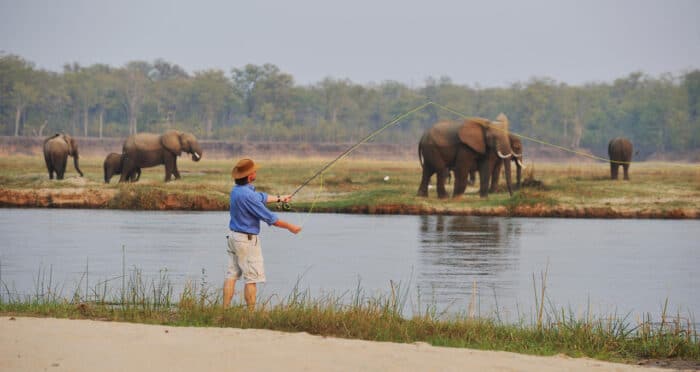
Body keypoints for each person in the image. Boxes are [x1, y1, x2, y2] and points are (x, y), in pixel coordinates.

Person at [224, 158, 301, 310]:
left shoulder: (237, 191)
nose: (255, 172)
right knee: (251, 278)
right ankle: (251, 314)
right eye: (253, 171)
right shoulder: (249, 196)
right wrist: (291, 227)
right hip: (246, 240)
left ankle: (224, 310)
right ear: (249, 176)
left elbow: (262, 197)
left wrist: (280, 198)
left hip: (233, 237)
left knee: (231, 275)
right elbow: (270, 219)